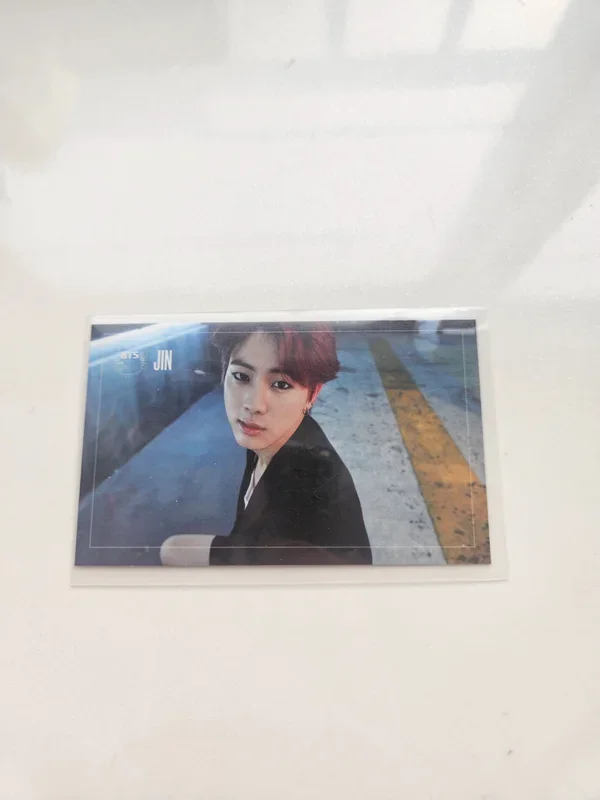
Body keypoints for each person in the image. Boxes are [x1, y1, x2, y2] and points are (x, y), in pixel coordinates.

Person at [160, 322, 372, 566]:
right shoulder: (273, 436)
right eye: (241, 377)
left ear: (313, 394)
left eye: (281, 384)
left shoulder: (304, 485)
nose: (254, 405)